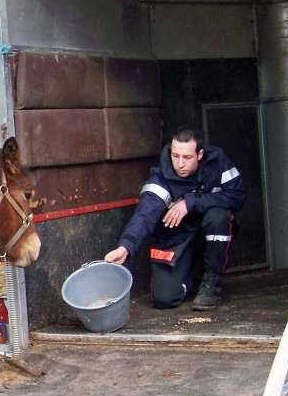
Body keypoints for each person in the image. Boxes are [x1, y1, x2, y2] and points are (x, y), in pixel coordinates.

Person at [105, 128, 245, 310]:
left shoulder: (218, 162)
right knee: (164, 300)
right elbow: (144, 214)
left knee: (218, 216)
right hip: (177, 237)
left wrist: (191, 202)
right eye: (175, 156)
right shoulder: (161, 176)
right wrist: (126, 246)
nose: (180, 164)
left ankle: (212, 283)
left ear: (200, 154)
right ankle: (191, 274)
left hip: (208, 231)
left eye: (187, 158)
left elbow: (237, 196)